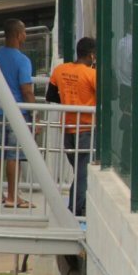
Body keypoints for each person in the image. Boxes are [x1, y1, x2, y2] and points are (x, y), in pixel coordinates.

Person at [0, 19, 36, 208]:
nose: (25, 35)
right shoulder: (23, 60)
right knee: (14, 155)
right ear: (18, 35)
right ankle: (13, 197)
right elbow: (26, 90)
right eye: (24, 32)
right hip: (18, 113)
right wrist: (34, 115)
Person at [46, 37, 96, 216]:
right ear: (92, 55)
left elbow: (50, 96)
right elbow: (107, 96)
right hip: (86, 128)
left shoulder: (60, 70)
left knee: (80, 171)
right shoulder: (91, 74)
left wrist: (69, 100)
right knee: (84, 173)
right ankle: (74, 209)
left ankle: (80, 205)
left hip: (67, 128)